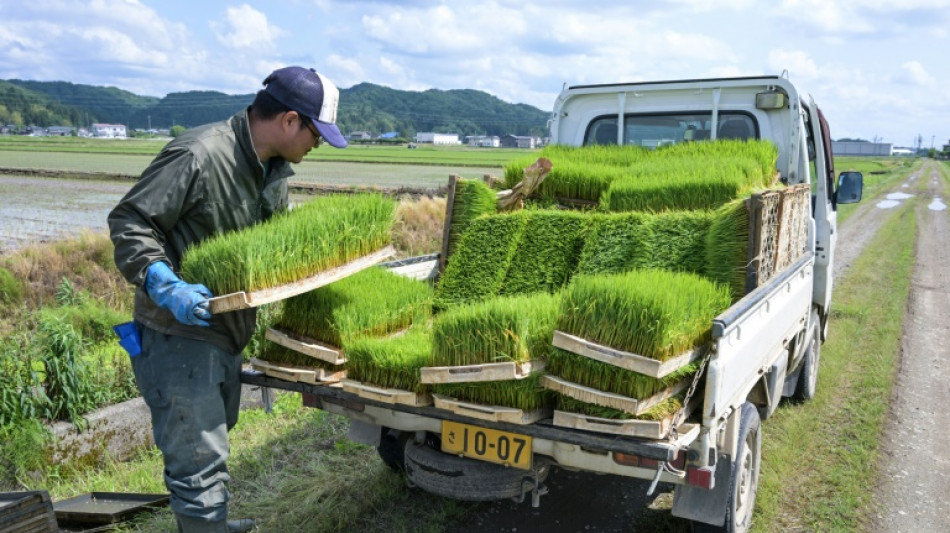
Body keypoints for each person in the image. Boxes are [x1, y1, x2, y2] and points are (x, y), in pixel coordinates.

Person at [108, 66, 347, 533]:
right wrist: (165, 284)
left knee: (213, 441)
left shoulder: (273, 171)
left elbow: (270, 240)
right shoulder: (198, 154)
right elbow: (130, 221)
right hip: (179, 335)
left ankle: (211, 525)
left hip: (229, 334)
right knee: (199, 463)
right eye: (316, 134)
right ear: (290, 120)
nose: (317, 145)